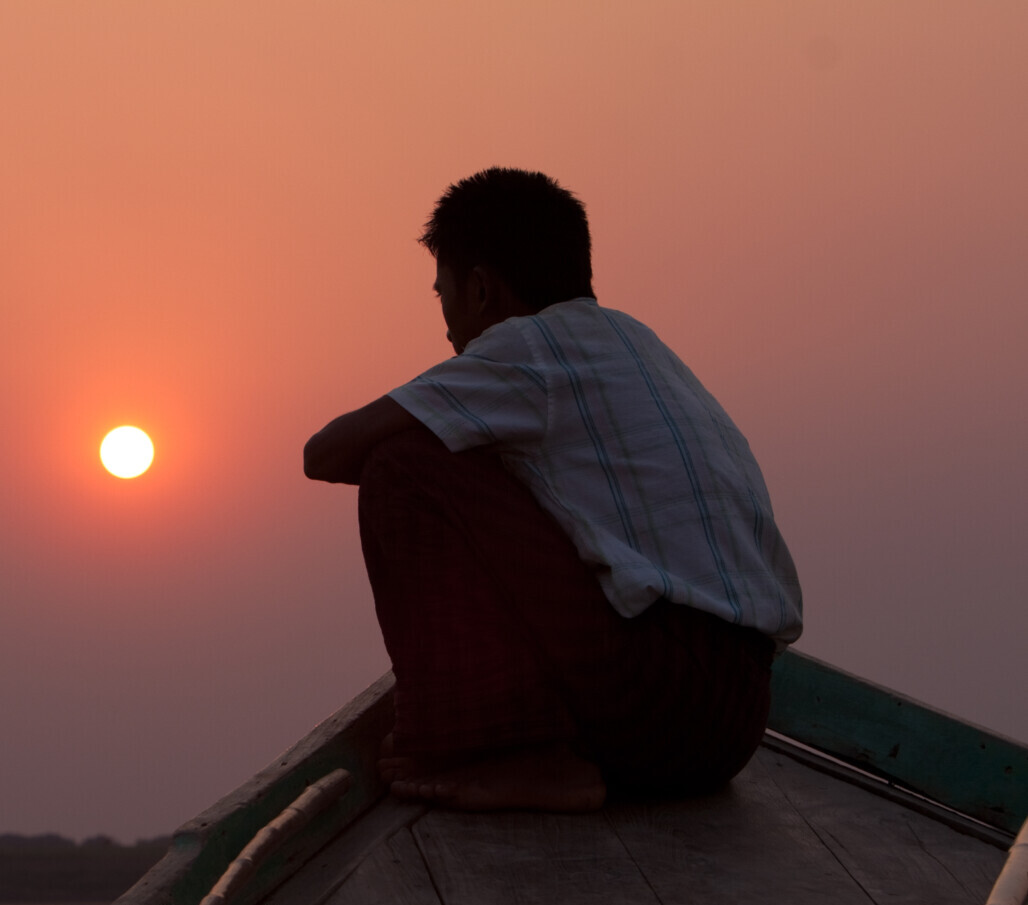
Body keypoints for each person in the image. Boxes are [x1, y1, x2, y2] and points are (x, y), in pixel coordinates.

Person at [304, 168, 802, 812]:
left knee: (402, 464)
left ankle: (501, 750)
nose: (449, 332)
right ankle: (537, 745)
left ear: (480, 289)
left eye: (444, 299)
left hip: (658, 702)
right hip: (735, 719)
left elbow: (327, 452)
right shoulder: (635, 343)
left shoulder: (526, 349)